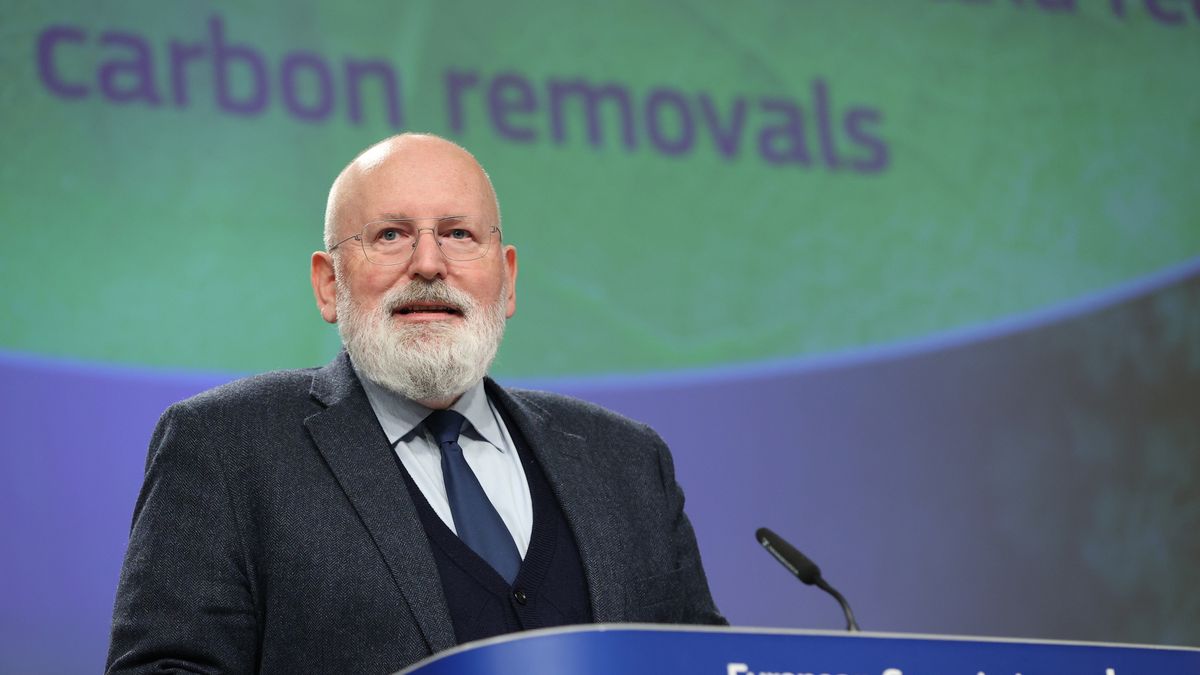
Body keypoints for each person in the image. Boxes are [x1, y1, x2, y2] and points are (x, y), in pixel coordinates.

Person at [106, 133, 725, 674]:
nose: (428, 264)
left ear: (506, 280)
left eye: (458, 234)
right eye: (391, 235)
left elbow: (707, 664)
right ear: (329, 283)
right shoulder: (224, 446)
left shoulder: (628, 461)